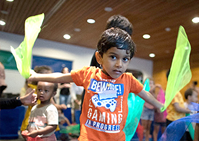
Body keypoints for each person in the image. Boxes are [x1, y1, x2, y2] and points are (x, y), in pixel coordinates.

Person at [28, 28, 163, 141]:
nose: (119, 64)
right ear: (99, 57)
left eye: (125, 59)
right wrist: (37, 76)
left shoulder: (128, 79)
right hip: (89, 138)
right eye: (113, 57)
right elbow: (60, 77)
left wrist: (159, 105)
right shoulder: (89, 74)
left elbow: (144, 94)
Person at [21, 65, 67, 132]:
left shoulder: (48, 91)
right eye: (48, 76)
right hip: (34, 118)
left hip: (45, 119)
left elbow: (53, 104)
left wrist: (60, 106)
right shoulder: (32, 88)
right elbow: (26, 101)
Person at [166, 69, 191, 141]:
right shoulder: (173, 91)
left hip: (177, 121)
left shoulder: (175, 91)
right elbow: (177, 108)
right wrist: (188, 110)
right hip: (174, 121)